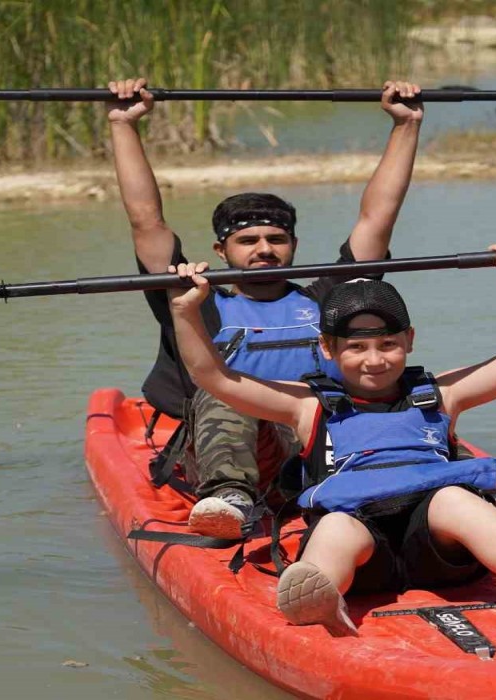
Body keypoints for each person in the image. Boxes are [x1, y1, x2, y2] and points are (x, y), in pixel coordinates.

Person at [165, 242, 496, 640]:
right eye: (357, 348)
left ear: (410, 340)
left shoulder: (444, 394)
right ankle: (321, 595)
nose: (375, 360)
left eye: (388, 345)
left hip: (440, 550)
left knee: (456, 499)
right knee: (338, 524)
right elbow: (213, 375)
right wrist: (187, 310)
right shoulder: (305, 405)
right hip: (363, 553)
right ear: (327, 348)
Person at [106, 77, 427, 539]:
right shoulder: (195, 298)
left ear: (294, 245)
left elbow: (377, 218)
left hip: (316, 446)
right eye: (248, 241)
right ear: (221, 250)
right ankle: (230, 498)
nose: (264, 249)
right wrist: (123, 126)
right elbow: (146, 221)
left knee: (402, 383)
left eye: (276, 239)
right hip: (229, 451)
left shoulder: (326, 299)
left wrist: (405, 125)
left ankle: (434, 485)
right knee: (225, 390)